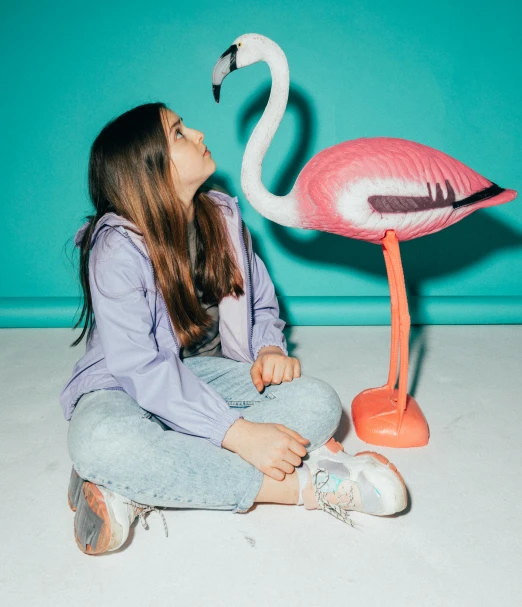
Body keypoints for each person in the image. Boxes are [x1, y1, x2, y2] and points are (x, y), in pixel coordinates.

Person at [60, 102, 408, 555]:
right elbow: (141, 369)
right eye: (180, 133)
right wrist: (237, 434)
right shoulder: (116, 248)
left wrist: (266, 350)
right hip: (123, 385)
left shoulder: (221, 219)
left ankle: (131, 482)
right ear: (144, 170)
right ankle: (311, 488)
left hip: (203, 376)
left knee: (318, 403)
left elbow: (261, 301)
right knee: (100, 441)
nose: (200, 133)